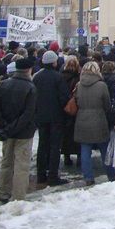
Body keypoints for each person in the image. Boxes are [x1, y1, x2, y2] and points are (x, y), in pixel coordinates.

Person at [0, 57, 37, 202]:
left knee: (7, 162)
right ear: (29, 70)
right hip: (23, 132)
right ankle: (18, 196)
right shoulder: (30, 87)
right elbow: (28, 114)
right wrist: (13, 128)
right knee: (21, 165)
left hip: (7, 131)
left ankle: (3, 192)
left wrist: (4, 127)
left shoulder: (3, 85)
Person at [74, 61, 115, 185]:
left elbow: (77, 101)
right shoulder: (101, 85)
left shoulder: (79, 85)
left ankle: (88, 177)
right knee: (104, 148)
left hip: (82, 118)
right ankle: (111, 173)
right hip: (99, 118)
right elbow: (107, 105)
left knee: (85, 149)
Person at [33, 50, 70, 186]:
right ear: (54, 62)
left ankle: (41, 174)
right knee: (55, 146)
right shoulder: (58, 77)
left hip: (41, 116)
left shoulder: (37, 77)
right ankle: (53, 175)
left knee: (42, 145)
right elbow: (64, 97)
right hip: (56, 116)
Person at [60, 56, 81, 167]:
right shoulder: (79, 78)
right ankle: (79, 156)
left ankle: (67, 156)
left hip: (64, 109)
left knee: (66, 134)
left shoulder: (60, 77)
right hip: (77, 109)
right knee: (77, 133)